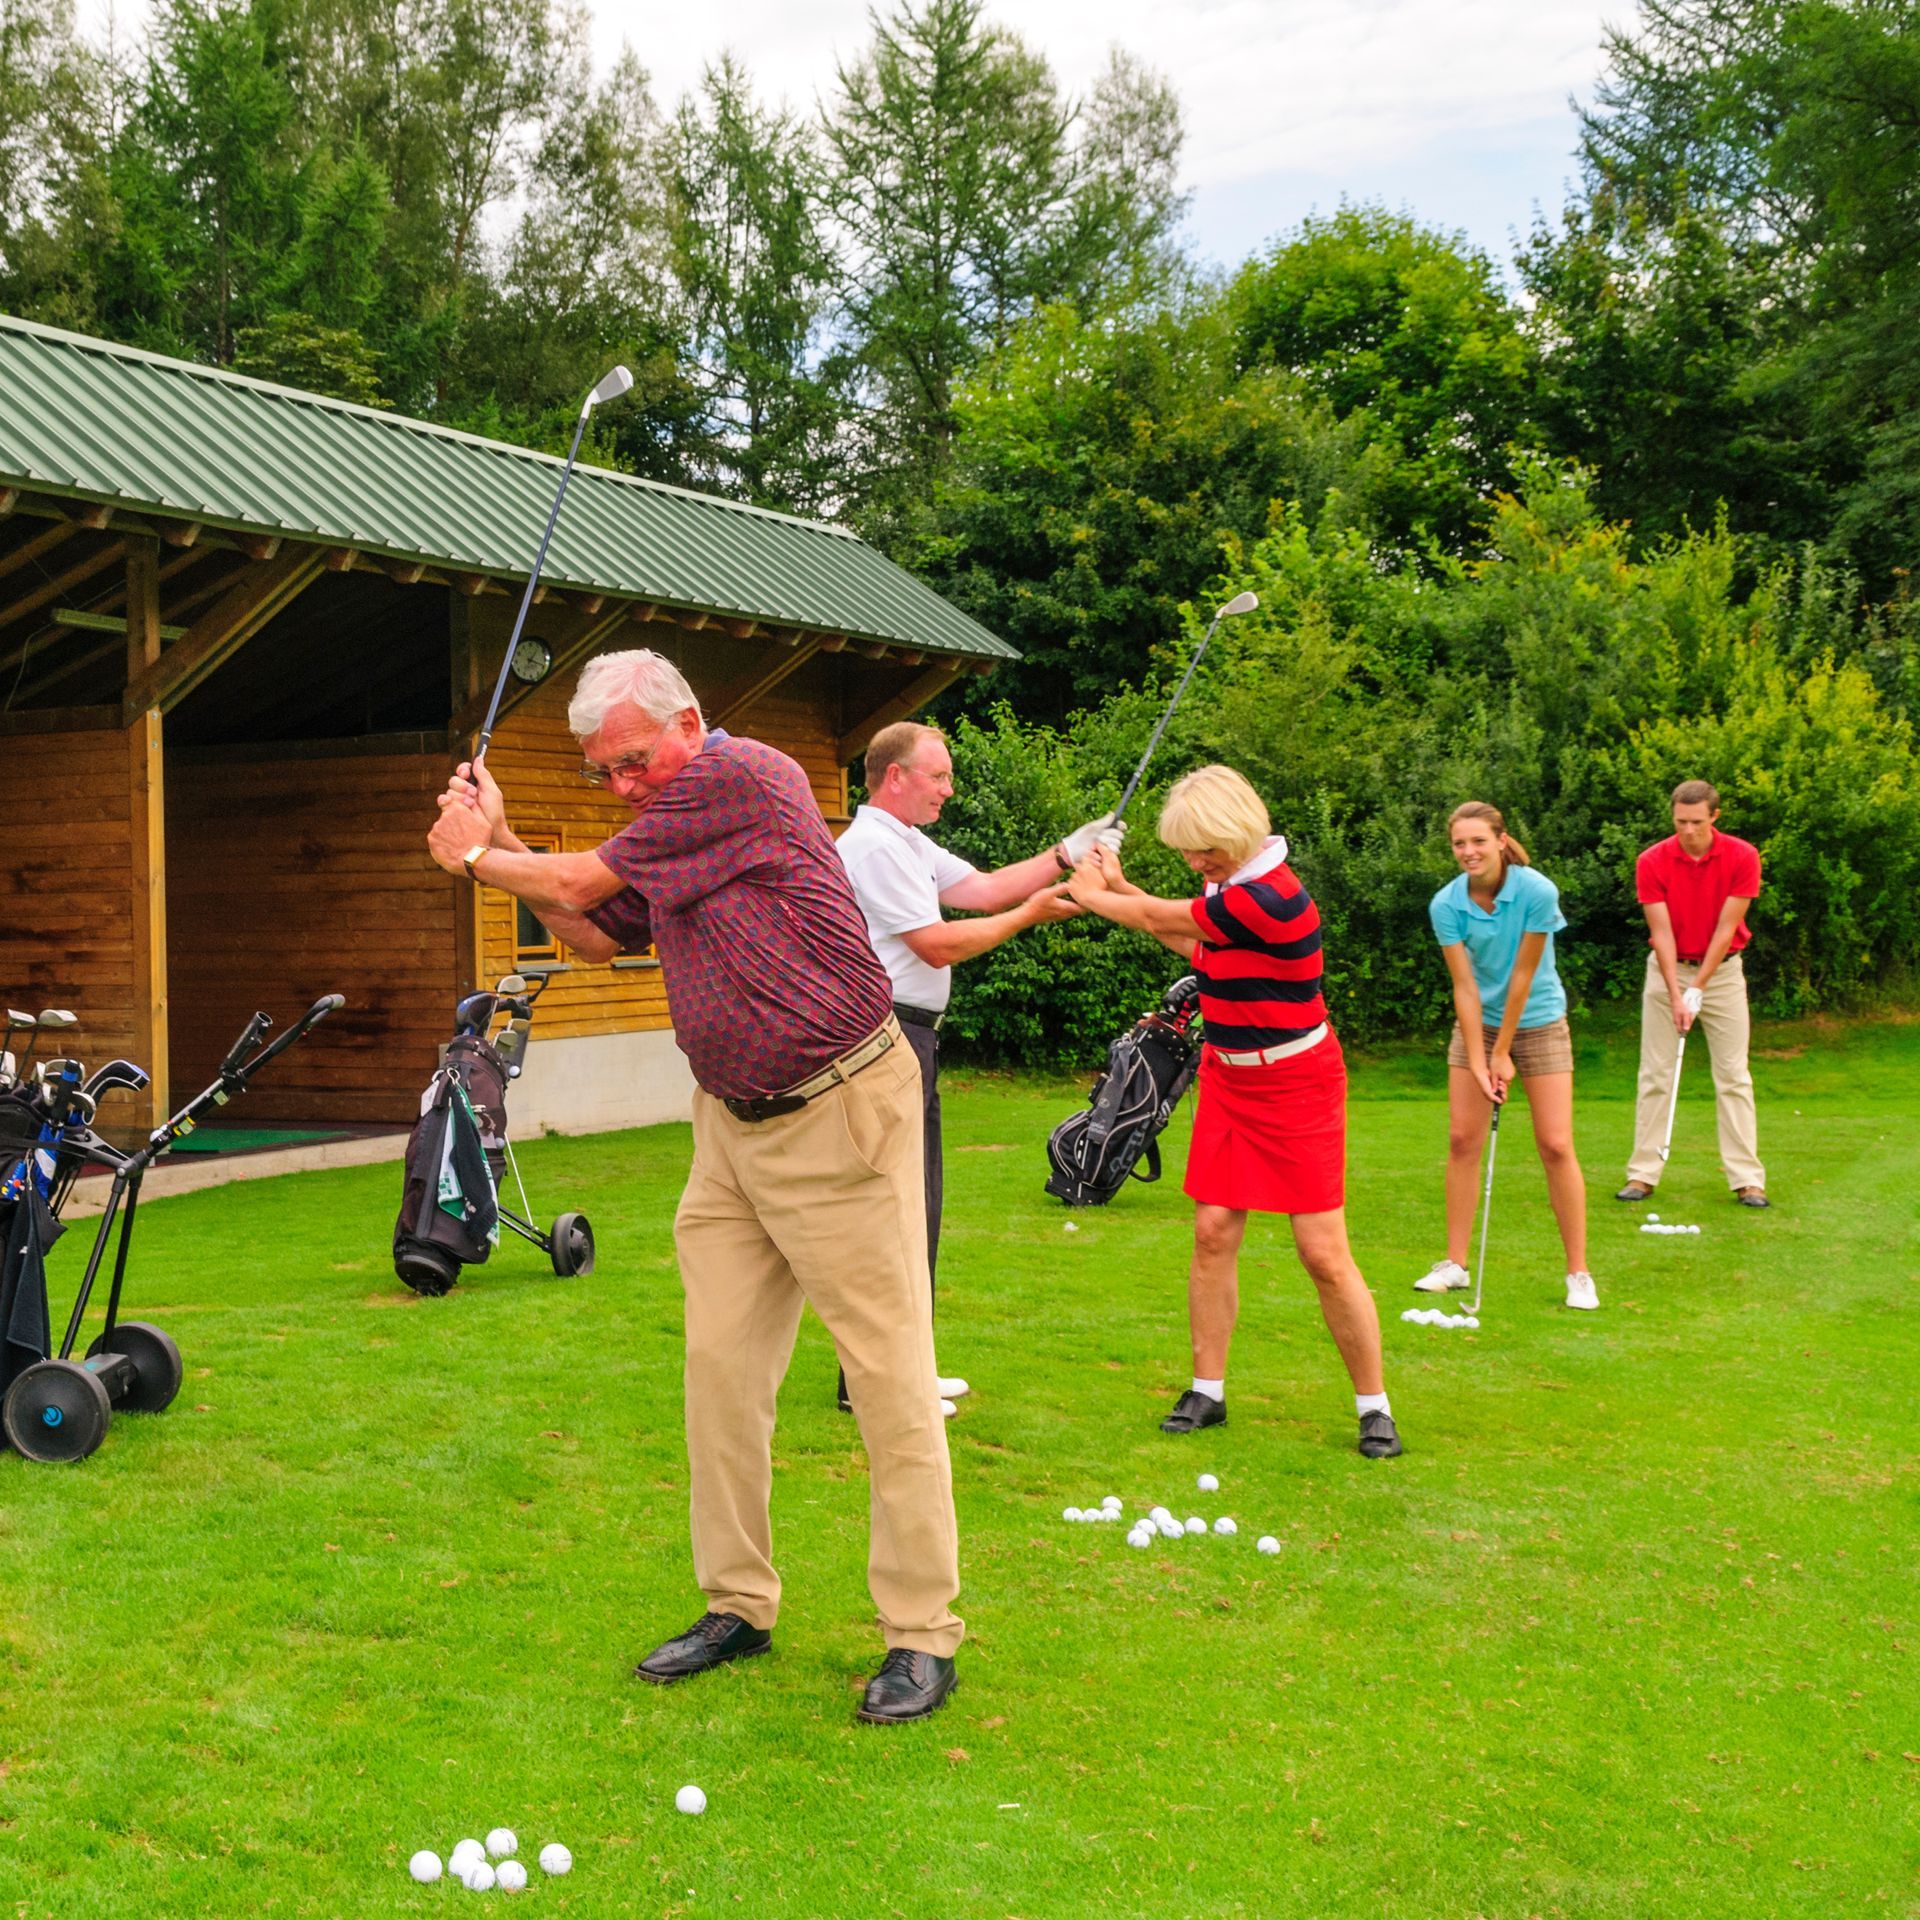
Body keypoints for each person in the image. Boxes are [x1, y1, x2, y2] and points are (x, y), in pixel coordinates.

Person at [425, 649, 961, 1725]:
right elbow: (586, 926)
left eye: (633, 762)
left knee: (889, 1374)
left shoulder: (741, 776)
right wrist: (510, 834)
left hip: (842, 1108)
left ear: (689, 724)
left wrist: (482, 854)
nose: (623, 787)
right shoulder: (666, 820)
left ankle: (920, 1634)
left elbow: (575, 884)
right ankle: (739, 1606)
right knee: (720, 1371)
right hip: (730, 1126)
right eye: (603, 776)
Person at [1065, 764, 1402, 1460]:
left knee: (1322, 1253)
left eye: (1201, 849)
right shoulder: (1229, 887)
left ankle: (1374, 1407)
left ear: (1235, 832)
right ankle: (1207, 1391)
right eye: (1187, 851)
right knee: (1214, 1232)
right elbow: (1200, 949)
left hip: (1298, 1083)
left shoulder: (1273, 898)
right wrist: (1120, 888)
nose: (1194, 862)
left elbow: (1170, 919)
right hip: (1230, 1080)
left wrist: (1097, 896)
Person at [834, 720, 1113, 1417]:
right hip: (886, 1033)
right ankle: (874, 1382)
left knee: (918, 1203)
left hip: (911, 1037)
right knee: (895, 1208)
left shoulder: (904, 841)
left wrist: (1064, 853)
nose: (949, 789)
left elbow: (983, 890)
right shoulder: (870, 846)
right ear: (895, 776)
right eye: (939, 775)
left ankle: (905, 1367)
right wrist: (1030, 917)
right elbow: (934, 945)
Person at [1418, 802, 1599, 1311]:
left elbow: (1522, 977)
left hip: (1538, 1019)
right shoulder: (1447, 904)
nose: (1469, 852)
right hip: (1479, 1021)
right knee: (1461, 1139)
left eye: (1478, 841)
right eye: (1459, 844)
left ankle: (1578, 1272)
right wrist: (1479, 1059)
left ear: (1501, 840)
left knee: (1556, 1144)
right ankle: (1454, 1264)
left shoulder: (1537, 891)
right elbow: (1465, 987)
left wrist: (1503, 1053)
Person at [1618, 780, 1767, 1207]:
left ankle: (1747, 1179)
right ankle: (1642, 1173)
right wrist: (1676, 992)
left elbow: (1726, 928)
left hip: (1722, 973)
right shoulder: (1652, 860)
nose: (1687, 831)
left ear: (1714, 817)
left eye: (1696, 822)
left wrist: (1698, 988)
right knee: (1655, 1074)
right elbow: (1660, 933)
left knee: (1734, 1076)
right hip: (1667, 971)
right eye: (1680, 822)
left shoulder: (1742, 856)